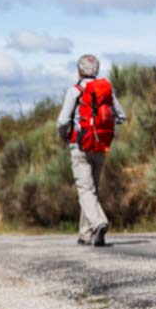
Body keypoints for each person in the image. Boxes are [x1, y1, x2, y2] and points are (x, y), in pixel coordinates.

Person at [57, 54, 126, 247]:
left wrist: (64, 136)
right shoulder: (106, 90)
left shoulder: (75, 91)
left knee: (85, 190)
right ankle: (85, 234)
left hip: (80, 146)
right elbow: (121, 116)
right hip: (101, 146)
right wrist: (103, 127)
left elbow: (62, 121)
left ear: (79, 70)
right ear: (97, 70)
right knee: (91, 191)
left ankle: (98, 222)